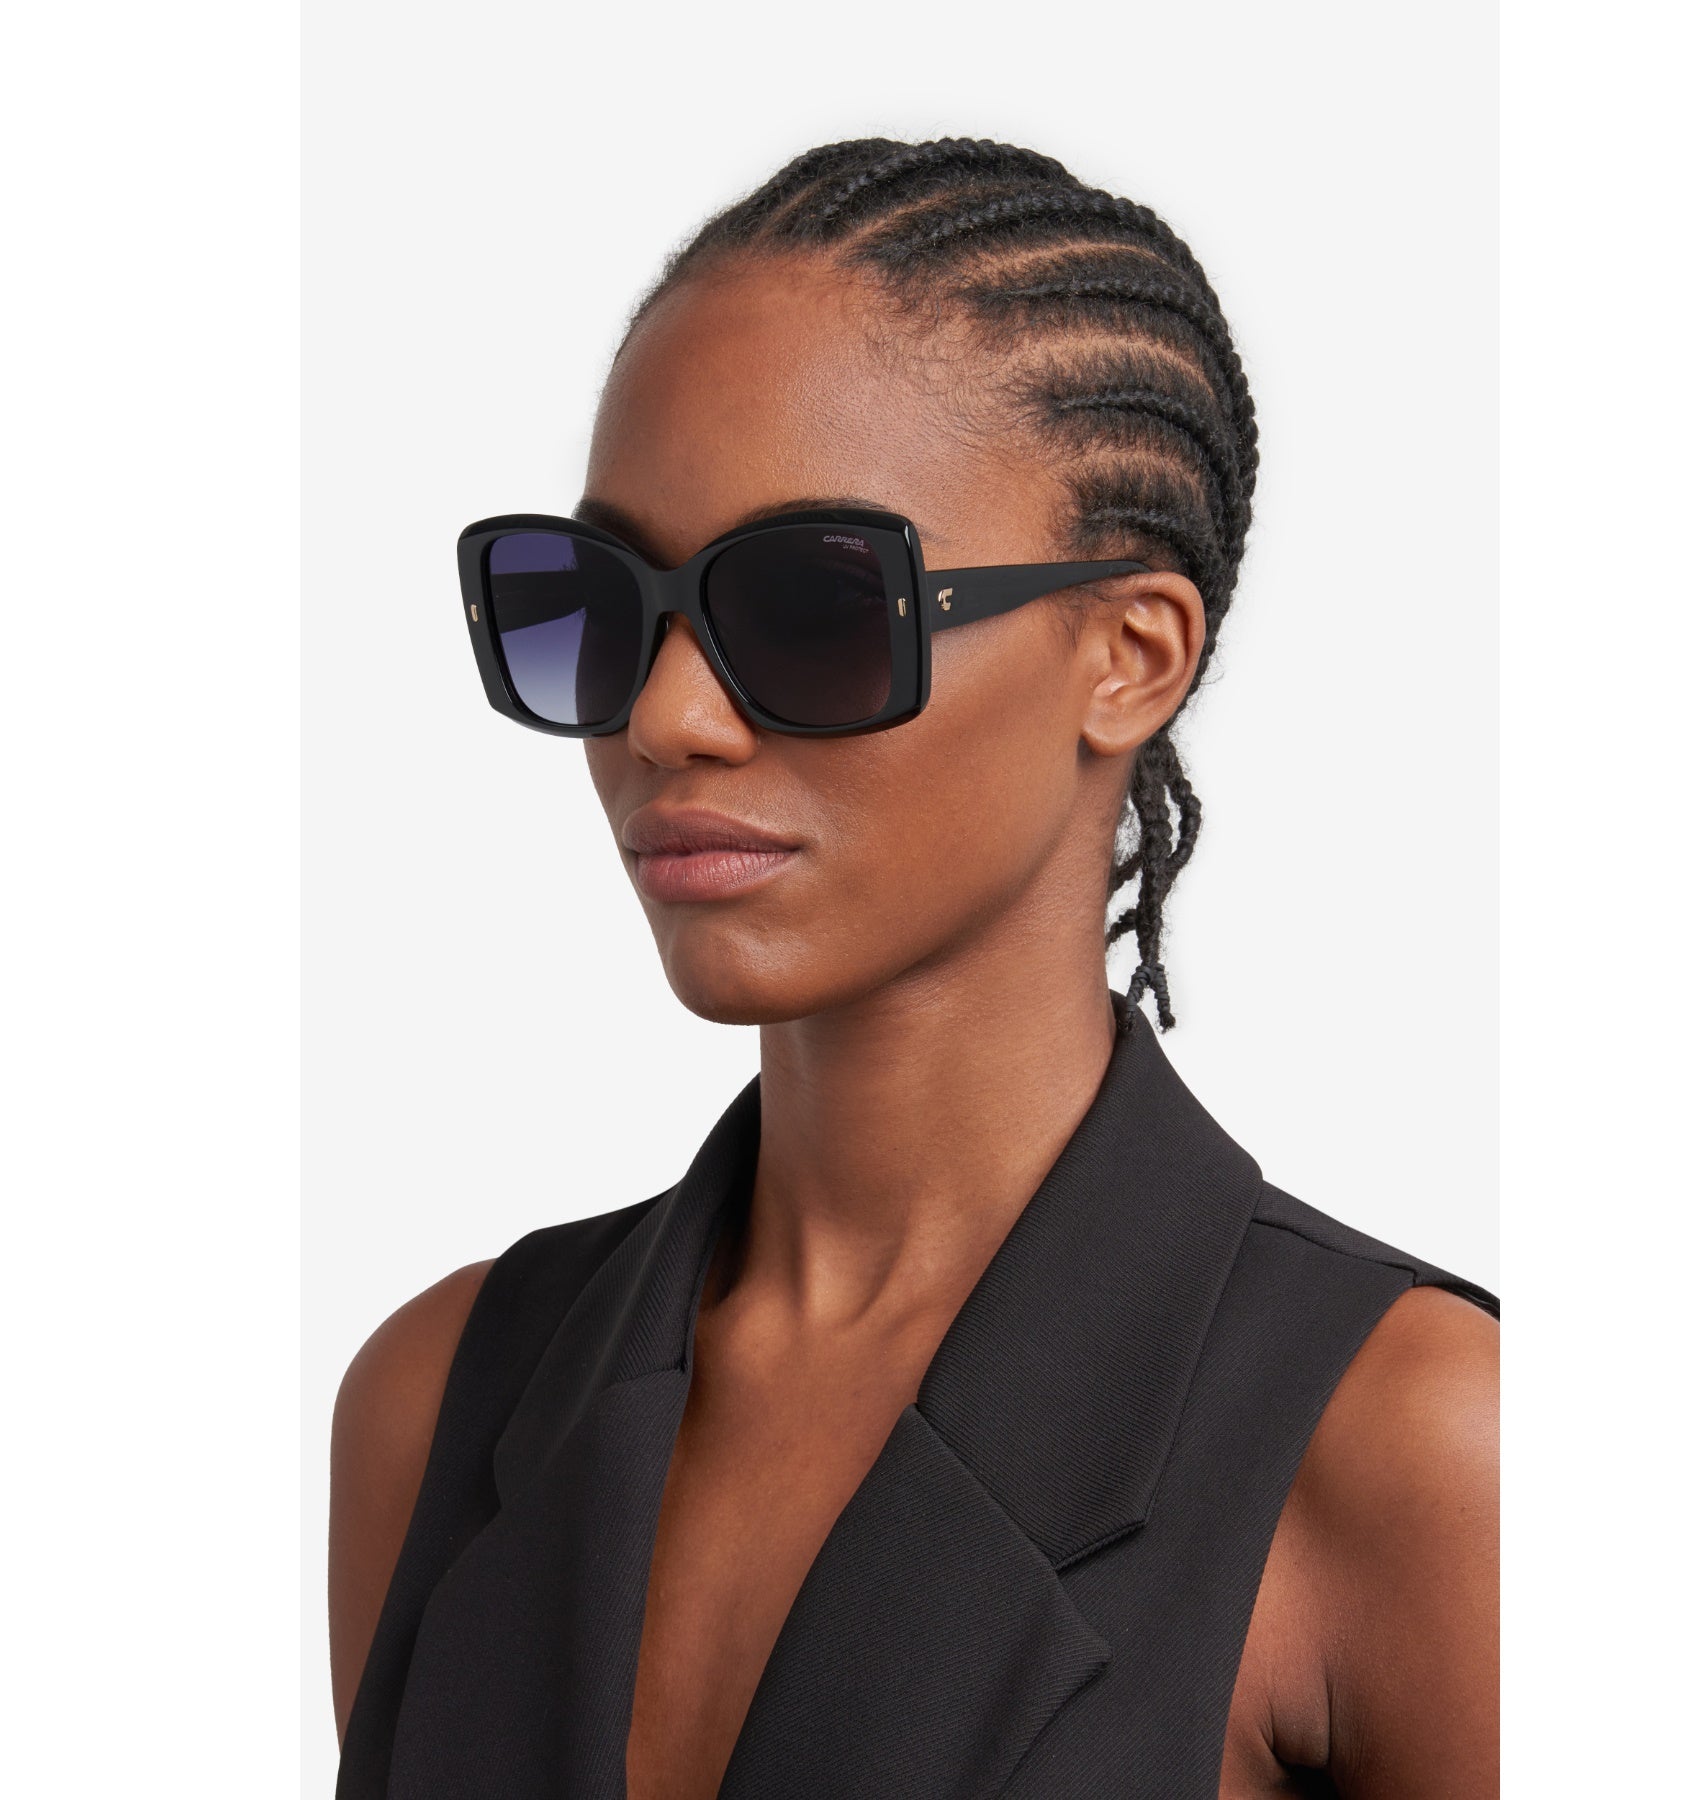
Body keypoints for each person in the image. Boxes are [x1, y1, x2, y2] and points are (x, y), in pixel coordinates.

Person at [330, 137, 1499, 1800]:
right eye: (595, 603)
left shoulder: (1413, 1449)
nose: (664, 715)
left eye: (812, 607)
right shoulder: (440, 1402)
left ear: (1129, 655)